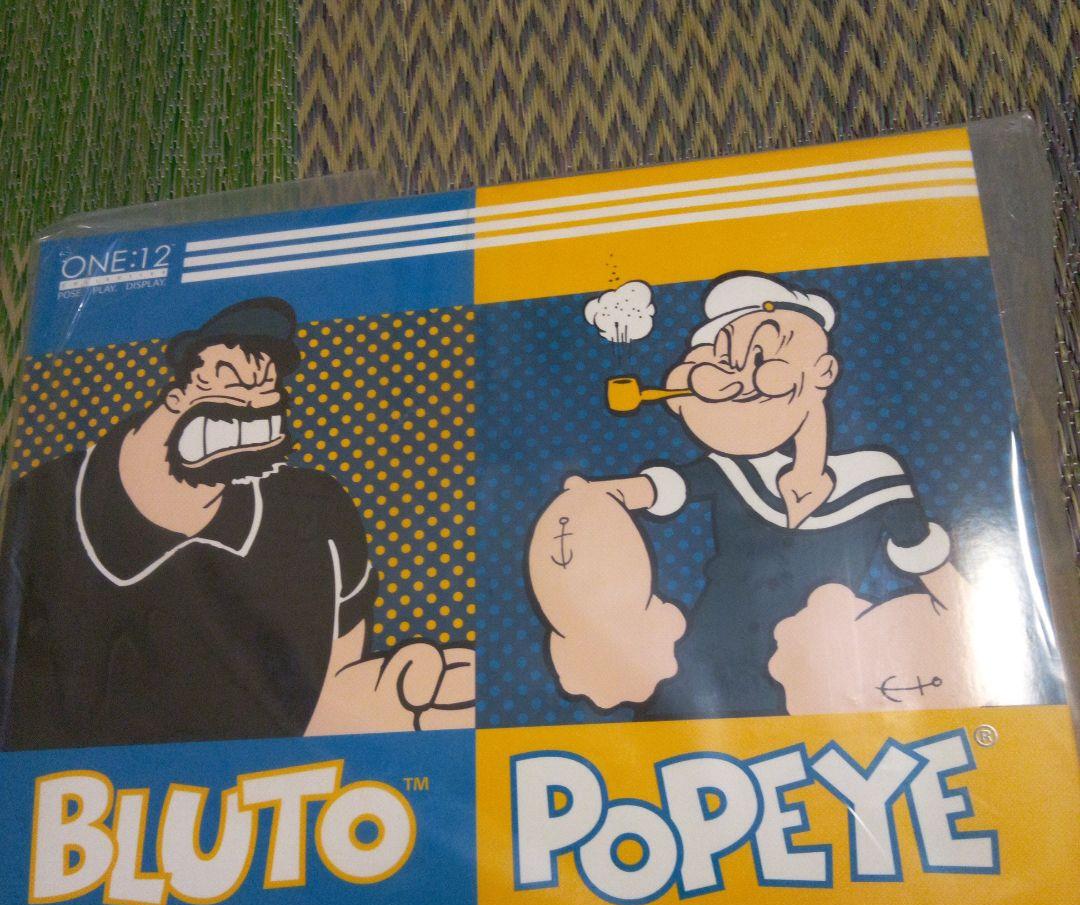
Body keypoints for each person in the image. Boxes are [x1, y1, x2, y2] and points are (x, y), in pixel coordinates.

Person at [0, 297, 474, 749]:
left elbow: (332, 694)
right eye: (227, 380)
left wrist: (380, 709)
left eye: (266, 388)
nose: (252, 404)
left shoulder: (319, 512)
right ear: (175, 394)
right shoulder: (40, 510)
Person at [528, 271, 966, 719]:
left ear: (825, 371)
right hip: (703, 676)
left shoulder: (877, 477)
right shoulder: (733, 469)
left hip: (815, 684)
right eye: (724, 361)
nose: (739, 381)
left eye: (760, 356)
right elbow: (664, 487)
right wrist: (600, 499)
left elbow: (935, 572)